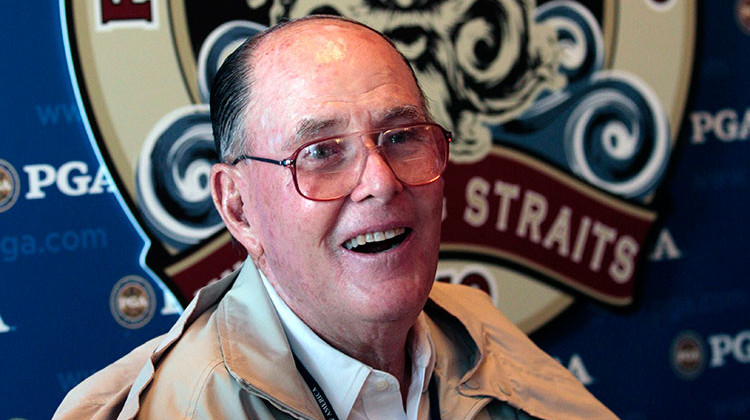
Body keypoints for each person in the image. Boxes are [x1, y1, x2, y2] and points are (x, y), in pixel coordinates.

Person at [54, 15, 617, 419]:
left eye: (400, 137)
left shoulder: (477, 328)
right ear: (239, 207)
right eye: (321, 152)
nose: (380, 181)